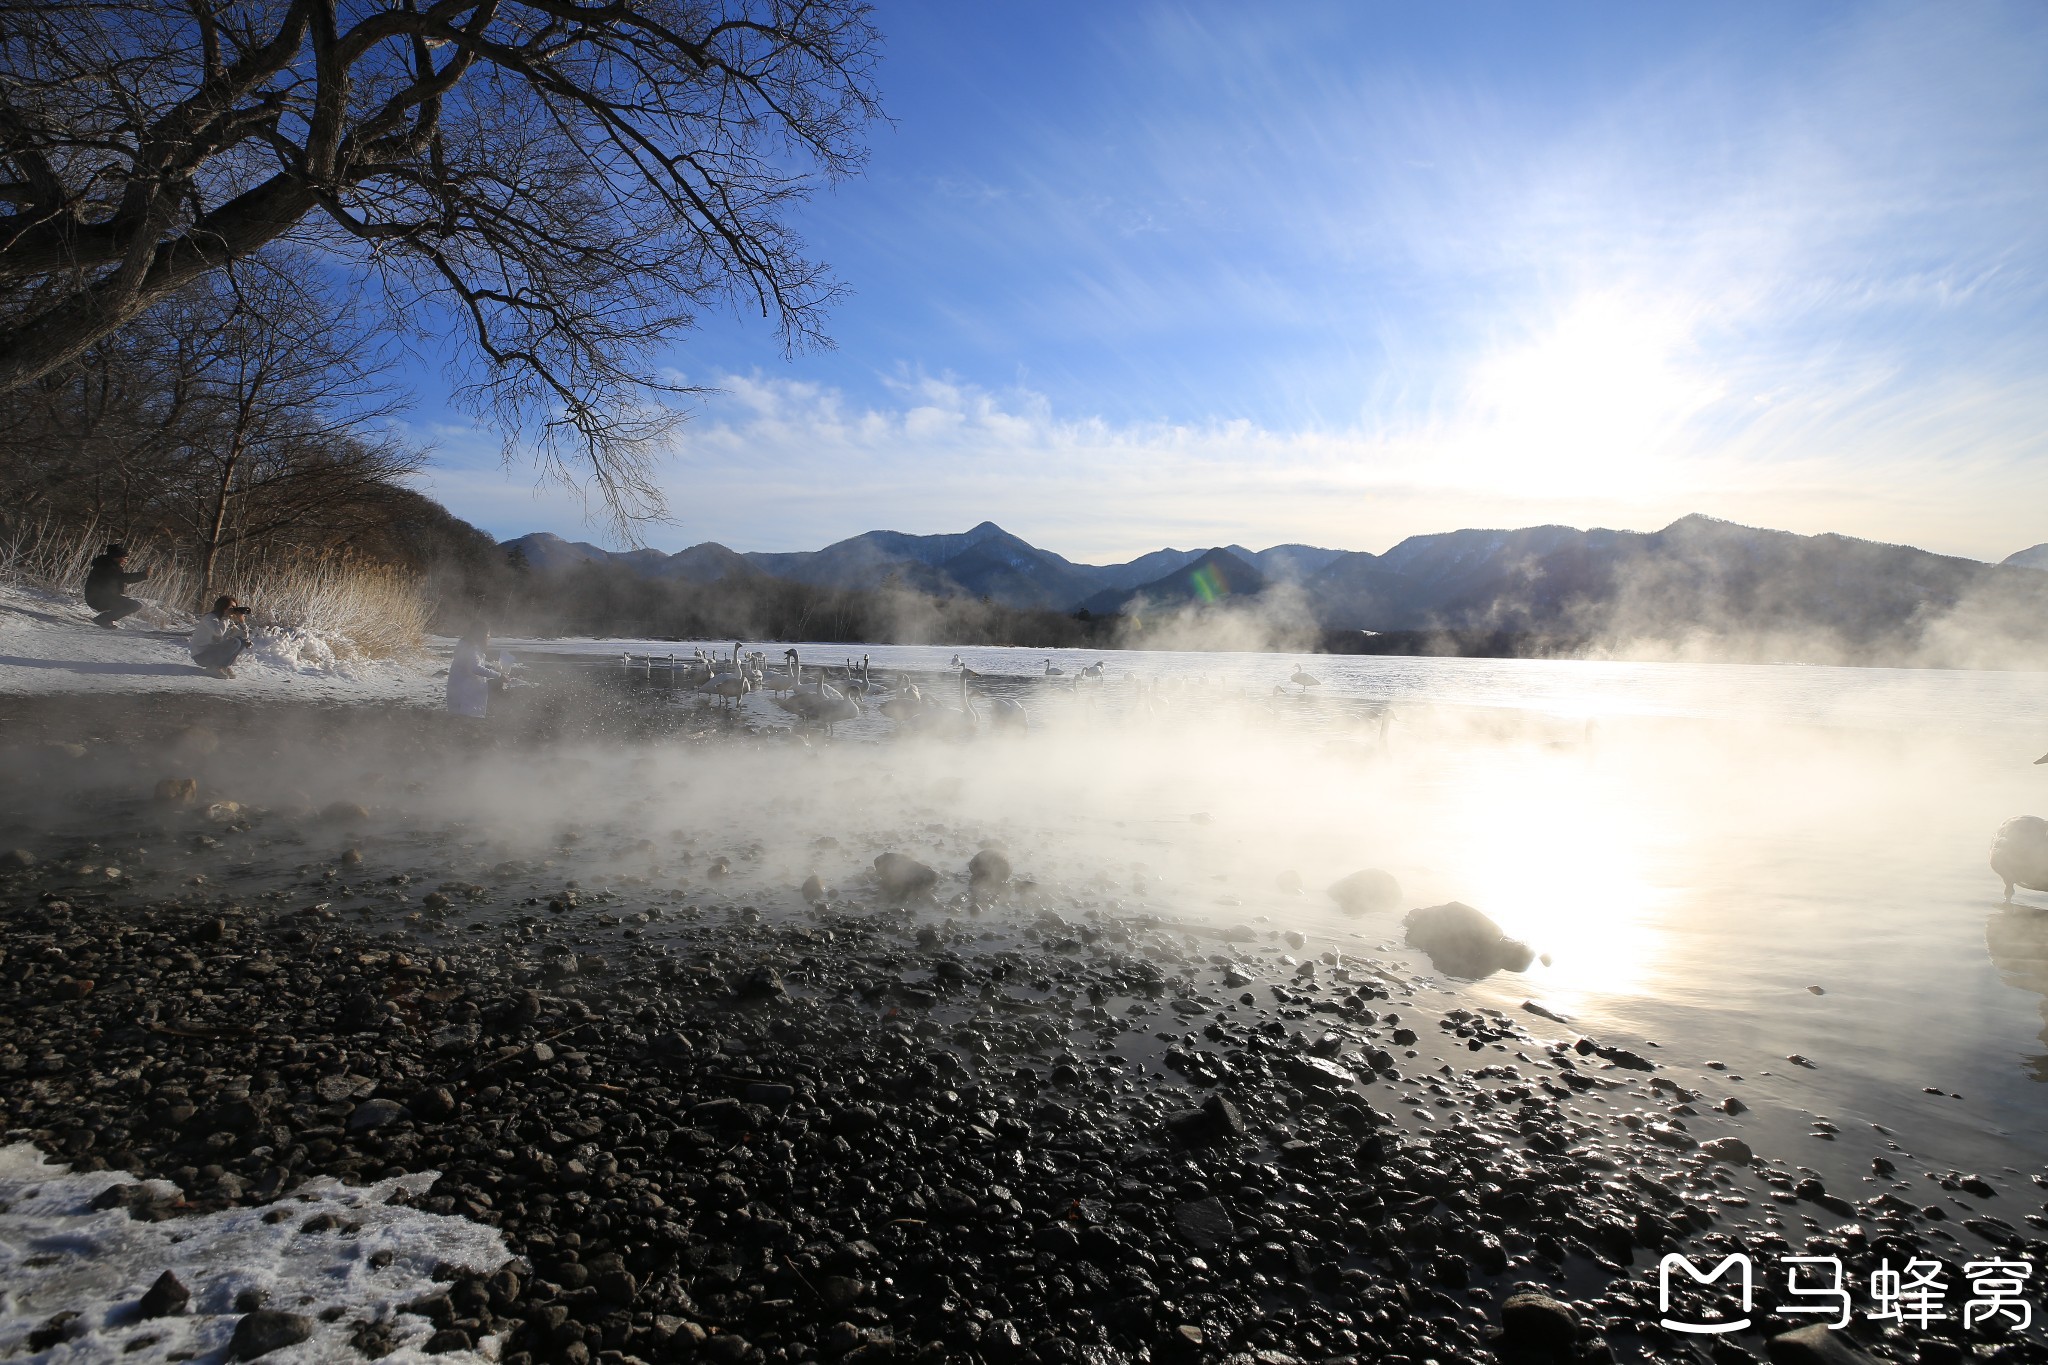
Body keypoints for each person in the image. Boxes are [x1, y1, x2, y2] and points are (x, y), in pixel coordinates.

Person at [83, 543, 150, 628]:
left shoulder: (107, 564)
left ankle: (106, 621)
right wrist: (144, 575)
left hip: (102, 597)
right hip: (98, 598)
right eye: (124, 558)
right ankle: (103, 619)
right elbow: (122, 578)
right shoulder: (106, 566)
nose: (126, 561)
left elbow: (118, 579)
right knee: (134, 605)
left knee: (129, 605)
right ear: (116, 557)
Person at [447, 624, 505, 718]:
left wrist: (492, 669)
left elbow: (472, 665)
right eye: (488, 636)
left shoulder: (468, 646)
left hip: (462, 698)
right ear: (481, 635)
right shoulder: (471, 649)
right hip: (464, 701)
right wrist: (498, 675)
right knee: (464, 725)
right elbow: (475, 668)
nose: (489, 639)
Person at [188, 595, 253, 677]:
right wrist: (225, 618)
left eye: (235, 608)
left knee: (242, 641)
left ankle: (224, 666)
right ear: (223, 606)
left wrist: (241, 621)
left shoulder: (226, 620)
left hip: (213, 652)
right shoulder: (210, 618)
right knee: (235, 642)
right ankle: (214, 668)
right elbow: (219, 632)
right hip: (201, 655)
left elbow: (244, 636)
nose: (233, 610)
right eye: (231, 607)